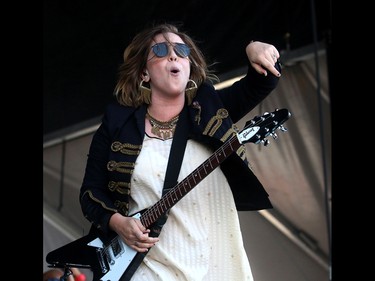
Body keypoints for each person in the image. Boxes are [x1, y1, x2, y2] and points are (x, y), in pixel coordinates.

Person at [79, 23, 281, 281]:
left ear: (189, 68)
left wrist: (254, 46)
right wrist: (118, 222)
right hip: (145, 266)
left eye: (181, 50)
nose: (173, 55)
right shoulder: (117, 124)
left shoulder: (210, 108)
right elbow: (90, 192)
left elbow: (264, 81)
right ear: (144, 73)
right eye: (161, 50)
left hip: (213, 260)